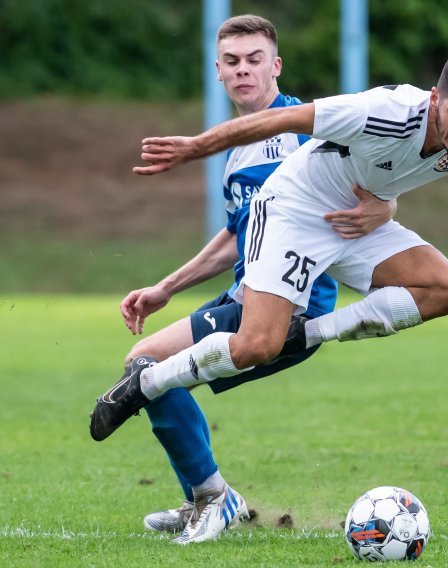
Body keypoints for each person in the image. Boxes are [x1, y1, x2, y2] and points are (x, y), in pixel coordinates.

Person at [94, 48, 448, 477]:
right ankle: (146, 385)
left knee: (445, 288)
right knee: (253, 347)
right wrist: (197, 146)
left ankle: (309, 333)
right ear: (436, 98)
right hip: (295, 210)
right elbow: (279, 121)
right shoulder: (381, 110)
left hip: (360, 222)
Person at [89, 15, 396, 545]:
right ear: (219, 72)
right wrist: (167, 287)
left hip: (292, 307)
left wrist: (386, 206)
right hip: (244, 295)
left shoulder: (301, 128)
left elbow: (378, 167)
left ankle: (211, 497)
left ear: (276, 66)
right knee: (149, 367)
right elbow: (237, 235)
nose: (243, 70)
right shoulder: (240, 150)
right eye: (232, 62)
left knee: (148, 367)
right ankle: (203, 499)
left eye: (255, 59)